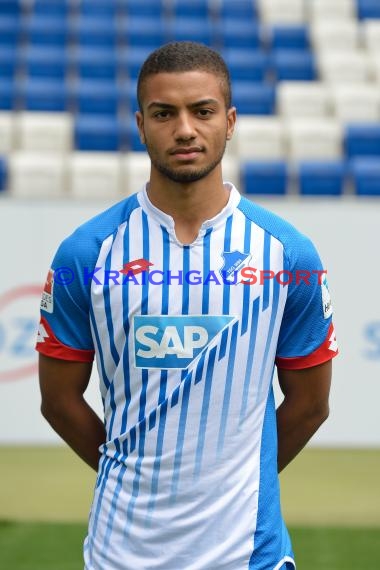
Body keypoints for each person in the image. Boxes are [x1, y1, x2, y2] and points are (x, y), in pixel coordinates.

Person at [36, 41, 338, 570]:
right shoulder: (86, 253)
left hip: (251, 554)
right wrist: (132, 472)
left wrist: (241, 481)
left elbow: (310, 404)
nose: (184, 129)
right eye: (163, 113)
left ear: (230, 120)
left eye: (202, 111)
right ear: (140, 123)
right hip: (120, 552)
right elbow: (59, 401)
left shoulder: (288, 253)